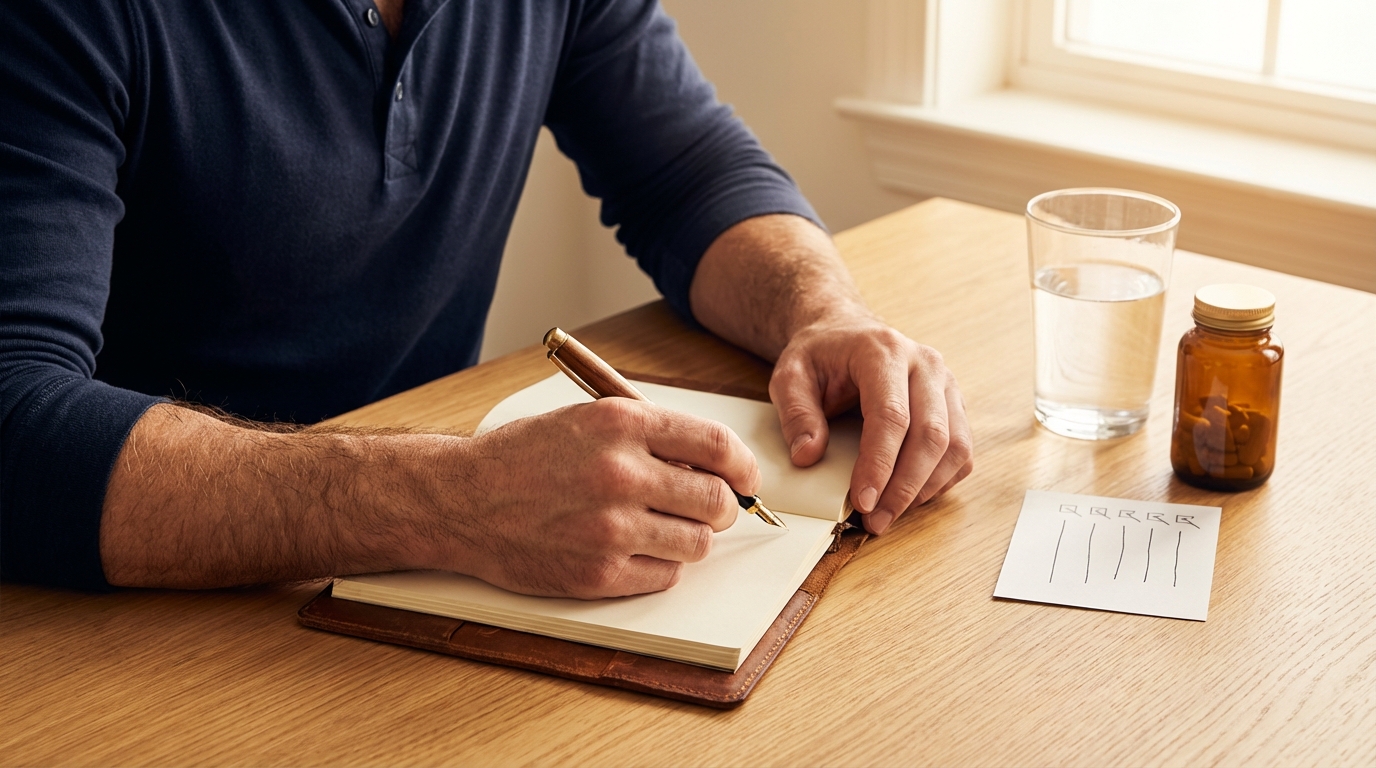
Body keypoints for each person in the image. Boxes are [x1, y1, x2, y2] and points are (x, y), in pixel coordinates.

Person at [0, 0, 972, 598]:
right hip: (113, 619)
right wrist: (442, 502)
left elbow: (686, 176)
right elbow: (12, 422)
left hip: (417, 592)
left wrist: (822, 312)